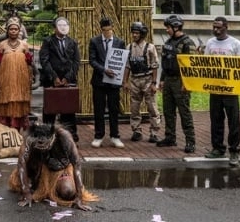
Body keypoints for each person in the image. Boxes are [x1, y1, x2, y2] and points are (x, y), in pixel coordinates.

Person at [9, 122, 98, 211]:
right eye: (39, 143)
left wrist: (79, 197)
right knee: (19, 184)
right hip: (37, 168)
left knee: (68, 191)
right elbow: (21, 163)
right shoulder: (29, 138)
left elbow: (77, 164)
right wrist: (26, 192)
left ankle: (49, 188)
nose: (42, 146)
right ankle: (40, 186)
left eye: (44, 144)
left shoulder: (65, 137)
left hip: (60, 169)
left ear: (53, 137)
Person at [202, 16, 240, 166]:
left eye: (219, 27)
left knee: (233, 121)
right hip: (215, 88)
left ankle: (234, 151)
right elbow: (205, 63)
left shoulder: (235, 44)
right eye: (214, 27)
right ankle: (217, 148)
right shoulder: (210, 43)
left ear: (226, 27)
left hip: (230, 89)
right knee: (216, 119)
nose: (216, 30)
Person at [157, 15, 197, 153]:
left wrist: (187, 83)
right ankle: (170, 137)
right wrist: (162, 80)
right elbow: (164, 62)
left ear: (176, 27)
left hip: (181, 81)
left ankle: (190, 141)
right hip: (168, 79)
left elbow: (191, 66)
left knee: (184, 112)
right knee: (168, 111)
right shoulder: (168, 42)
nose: (167, 30)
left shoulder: (188, 43)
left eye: (168, 27)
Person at [39, 16, 80, 141]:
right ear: (55, 28)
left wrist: (68, 77)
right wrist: (54, 77)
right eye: (60, 25)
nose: (62, 28)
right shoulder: (48, 41)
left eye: (65, 25)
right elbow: (44, 60)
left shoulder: (72, 42)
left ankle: (70, 135)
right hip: (52, 80)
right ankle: (47, 134)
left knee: (68, 110)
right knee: (50, 110)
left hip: (68, 81)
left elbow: (76, 62)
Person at [88, 17, 125, 148]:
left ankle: (115, 135)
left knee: (114, 109)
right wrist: (104, 70)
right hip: (99, 80)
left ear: (112, 28)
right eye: (105, 30)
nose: (108, 32)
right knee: (99, 109)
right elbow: (92, 60)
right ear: (101, 30)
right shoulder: (94, 41)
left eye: (109, 30)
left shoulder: (120, 42)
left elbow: (122, 60)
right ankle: (99, 135)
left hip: (114, 81)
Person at [123, 21, 162, 143]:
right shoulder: (129, 47)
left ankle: (154, 132)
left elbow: (155, 66)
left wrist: (154, 83)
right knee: (134, 107)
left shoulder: (150, 47)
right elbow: (127, 66)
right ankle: (136, 131)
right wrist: (125, 81)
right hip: (134, 80)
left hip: (147, 79)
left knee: (152, 107)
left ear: (142, 33)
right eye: (133, 33)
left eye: (137, 33)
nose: (134, 35)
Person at [0, 16, 34, 131]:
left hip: (21, 83)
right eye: (11, 29)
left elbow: (30, 64)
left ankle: (17, 131)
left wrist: (30, 79)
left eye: (16, 29)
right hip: (6, 82)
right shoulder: (2, 45)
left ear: (19, 31)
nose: (13, 31)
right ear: (7, 30)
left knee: (19, 104)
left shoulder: (24, 46)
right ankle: (6, 131)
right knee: (5, 104)